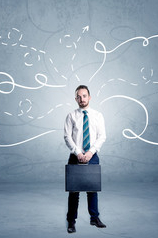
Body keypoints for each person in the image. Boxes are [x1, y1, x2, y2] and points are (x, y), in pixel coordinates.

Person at [64, 85, 107, 233]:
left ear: (89, 97)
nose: (82, 99)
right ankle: (71, 221)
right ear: (76, 99)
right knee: (74, 192)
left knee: (92, 189)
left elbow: (102, 136)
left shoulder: (98, 115)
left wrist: (90, 152)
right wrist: (77, 152)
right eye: (79, 96)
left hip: (92, 155)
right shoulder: (71, 116)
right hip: (75, 156)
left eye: (84, 96)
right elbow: (67, 136)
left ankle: (94, 218)